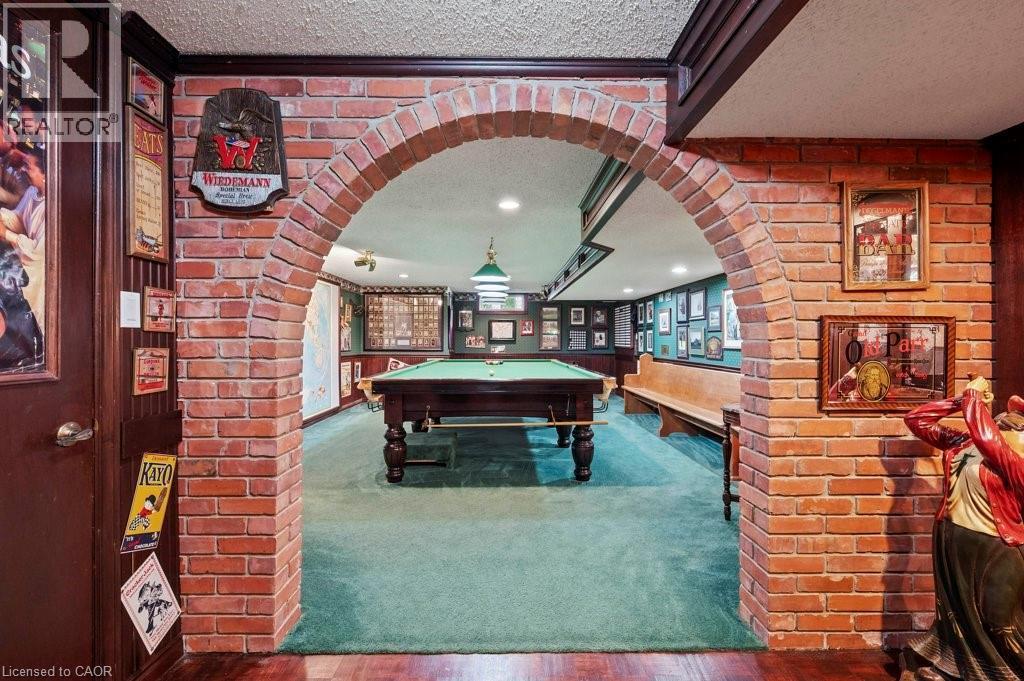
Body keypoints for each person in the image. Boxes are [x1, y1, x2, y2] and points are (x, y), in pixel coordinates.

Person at [902, 375, 1024, 680]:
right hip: (953, 537)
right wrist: (959, 401)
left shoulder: (1013, 458)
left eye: (1019, 418)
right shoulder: (967, 442)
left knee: (1000, 623)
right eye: (1007, 416)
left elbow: (990, 442)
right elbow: (917, 420)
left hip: (995, 546)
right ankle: (957, 669)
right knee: (957, 615)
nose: (1010, 418)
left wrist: (972, 399)